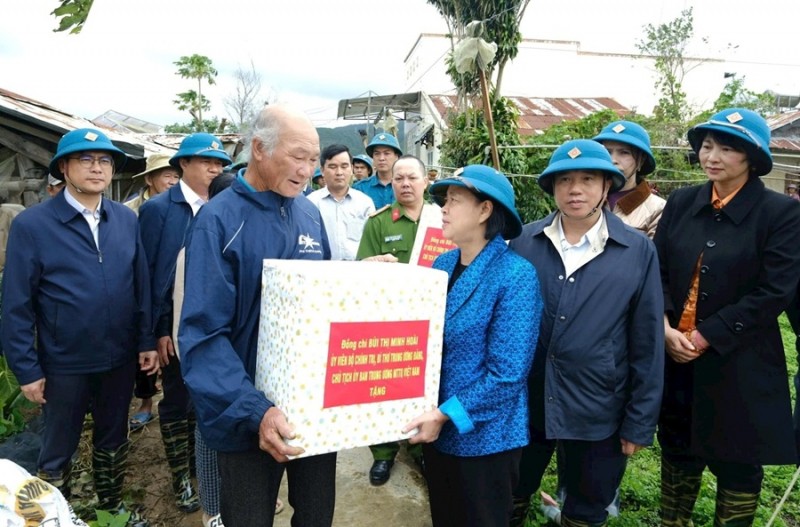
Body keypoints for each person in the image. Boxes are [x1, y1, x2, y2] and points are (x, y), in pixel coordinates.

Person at [179, 105, 335, 527]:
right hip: (246, 415)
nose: (307, 170)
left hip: (308, 410)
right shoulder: (219, 221)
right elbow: (203, 336)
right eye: (298, 156)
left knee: (317, 513)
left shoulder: (308, 213)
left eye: (312, 159)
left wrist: (356, 281)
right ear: (259, 149)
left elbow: (321, 304)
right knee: (248, 518)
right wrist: (255, 410)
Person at [0, 128, 159, 527]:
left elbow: (139, 285)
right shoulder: (35, 225)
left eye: (104, 160)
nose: (97, 167)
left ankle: (110, 512)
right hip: (63, 361)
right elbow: (16, 305)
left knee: (112, 439)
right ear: (64, 168)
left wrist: (145, 341)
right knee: (57, 448)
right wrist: (27, 369)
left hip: (119, 357)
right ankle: (54, 519)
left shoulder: (124, 219)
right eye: (85, 159)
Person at [654, 108, 800, 527]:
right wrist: (665, 327)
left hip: (741, 361)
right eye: (707, 145)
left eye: (727, 148)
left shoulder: (780, 214)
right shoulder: (682, 203)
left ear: (752, 158)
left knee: (738, 463)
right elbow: (658, 270)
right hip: (675, 354)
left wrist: (705, 337)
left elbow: (775, 290)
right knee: (678, 451)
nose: (712, 155)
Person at [509, 139, 664, 527]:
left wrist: (639, 420)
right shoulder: (525, 243)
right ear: (552, 187)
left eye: (587, 179)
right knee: (511, 486)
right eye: (564, 180)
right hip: (528, 398)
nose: (575, 190)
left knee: (588, 504)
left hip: (598, 403)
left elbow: (647, 340)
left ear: (607, 186)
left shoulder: (636, 250)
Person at [403, 164, 542, 527]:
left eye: (455, 200)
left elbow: (508, 374)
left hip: (486, 437)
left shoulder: (515, 275)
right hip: (436, 430)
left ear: (485, 210)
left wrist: (444, 414)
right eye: (444, 201)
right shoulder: (443, 264)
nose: (443, 209)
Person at [138, 133, 231, 517]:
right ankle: (181, 477)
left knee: (207, 398)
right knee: (176, 399)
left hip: (217, 325)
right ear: (182, 166)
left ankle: (202, 468)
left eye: (219, 164)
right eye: (206, 163)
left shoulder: (227, 207)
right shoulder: (160, 210)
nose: (215, 170)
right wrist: (158, 330)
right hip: (175, 326)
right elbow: (149, 275)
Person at [356, 154, 434, 484]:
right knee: (386, 386)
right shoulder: (379, 221)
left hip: (433, 317)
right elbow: (361, 266)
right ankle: (384, 453)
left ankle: (420, 450)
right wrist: (373, 263)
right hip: (391, 317)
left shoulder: (440, 220)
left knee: (427, 386)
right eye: (399, 178)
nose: (404, 183)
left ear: (425, 181)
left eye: (411, 178)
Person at [127, 153, 181, 434]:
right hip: (143, 287)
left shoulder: (181, 208)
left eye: (175, 176)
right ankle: (146, 403)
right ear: (150, 179)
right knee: (145, 347)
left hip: (170, 293)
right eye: (166, 176)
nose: (172, 181)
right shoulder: (133, 210)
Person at [593, 120, 665, 239]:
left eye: (624, 153)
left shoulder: (658, 209)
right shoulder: (586, 200)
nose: (613, 160)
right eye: (607, 152)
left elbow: (652, 255)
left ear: (640, 161)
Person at [307, 144, 375, 260]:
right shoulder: (310, 203)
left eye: (344, 166)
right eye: (333, 167)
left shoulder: (365, 203)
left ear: (351, 169)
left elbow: (372, 241)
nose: (339, 172)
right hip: (321, 272)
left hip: (356, 272)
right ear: (322, 170)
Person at [353, 132, 402, 209]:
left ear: (396, 156)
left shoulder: (405, 186)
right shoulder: (360, 188)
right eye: (377, 154)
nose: (381, 158)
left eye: (387, 153)